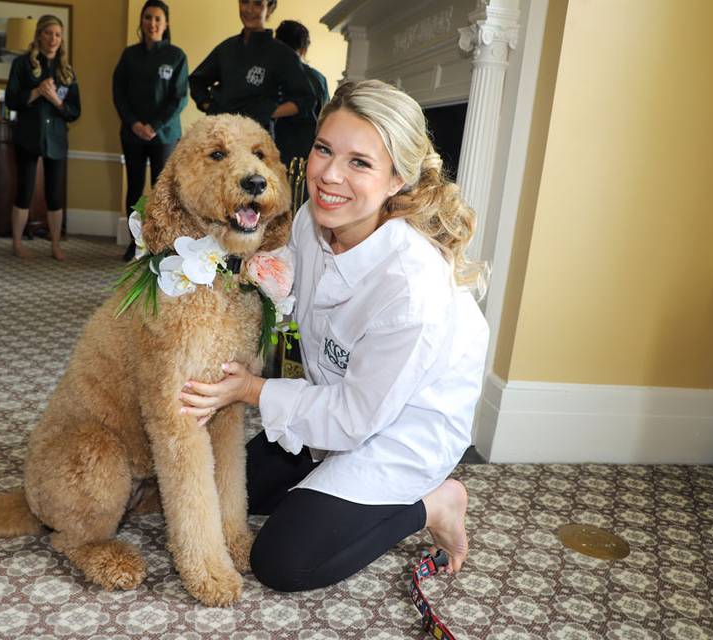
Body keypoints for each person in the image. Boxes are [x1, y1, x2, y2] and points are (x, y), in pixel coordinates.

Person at [179, 80, 489, 592]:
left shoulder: (411, 290)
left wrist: (252, 391)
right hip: (335, 394)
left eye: (359, 163)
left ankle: (435, 502)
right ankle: (323, 487)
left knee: (282, 561)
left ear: (397, 181)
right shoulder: (313, 217)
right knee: (228, 489)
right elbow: (295, 280)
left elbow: (355, 419)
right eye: (324, 149)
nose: (328, 175)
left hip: (399, 430)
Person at [112, 0, 188, 262]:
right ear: (141, 22)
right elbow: (119, 93)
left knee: (162, 192)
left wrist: (154, 127)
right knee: (134, 189)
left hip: (163, 136)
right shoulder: (129, 55)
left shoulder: (176, 56)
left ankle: (158, 246)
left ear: (165, 24)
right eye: (147, 18)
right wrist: (135, 123)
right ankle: (134, 244)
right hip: (132, 133)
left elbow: (179, 98)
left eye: (157, 19)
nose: (152, 23)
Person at [4, 14, 80, 261]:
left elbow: (74, 111)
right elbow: (13, 100)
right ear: (39, 35)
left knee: (55, 195)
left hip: (56, 140)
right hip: (28, 136)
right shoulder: (22, 64)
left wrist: (56, 100)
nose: (53, 39)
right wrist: (37, 91)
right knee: (24, 191)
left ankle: (55, 245)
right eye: (49, 33)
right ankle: (16, 243)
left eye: (58, 34)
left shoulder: (67, 70)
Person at [188, 0, 316, 146]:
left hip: (257, 139)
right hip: (220, 137)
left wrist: (269, 112)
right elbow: (196, 81)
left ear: (269, 9)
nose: (249, 9)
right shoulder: (226, 48)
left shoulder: (281, 54)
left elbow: (306, 98)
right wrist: (210, 107)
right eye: (244, 2)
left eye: (257, 4)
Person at [274, 20, 329, 168]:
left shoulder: (270, 77)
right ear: (304, 49)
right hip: (309, 154)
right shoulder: (319, 79)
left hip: (274, 151)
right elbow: (326, 117)